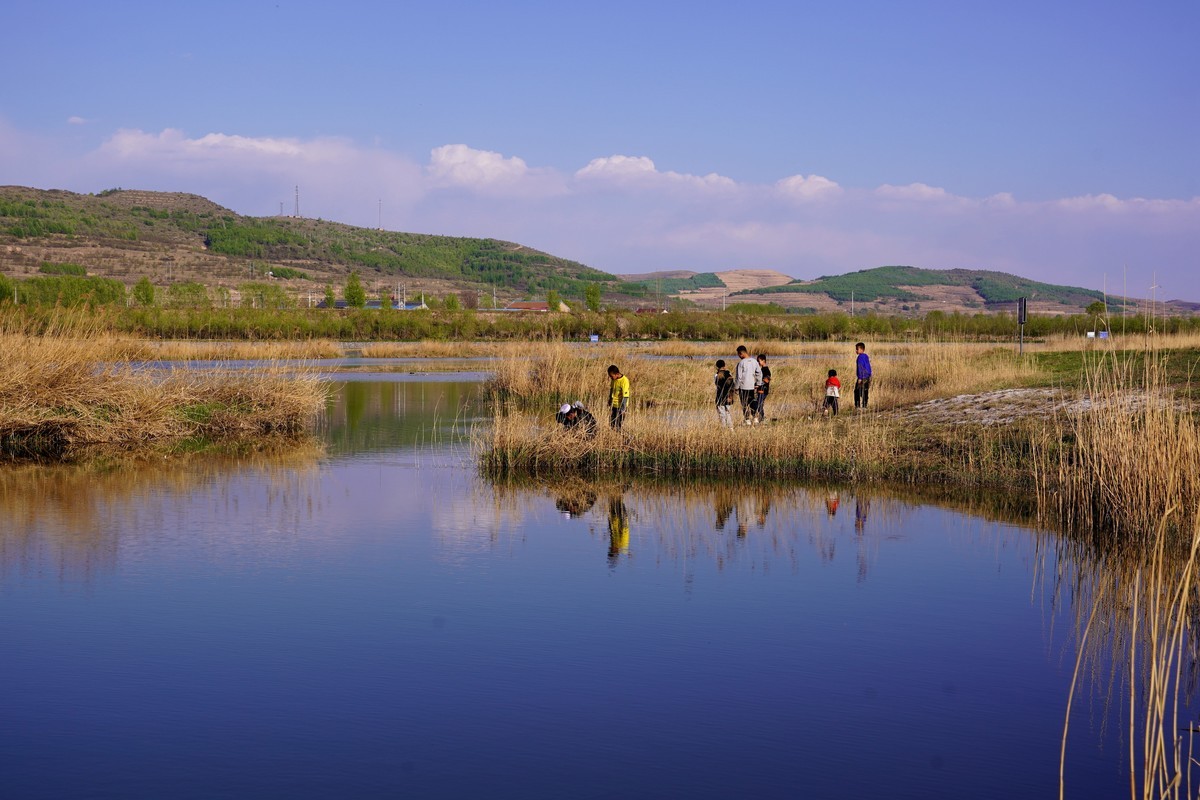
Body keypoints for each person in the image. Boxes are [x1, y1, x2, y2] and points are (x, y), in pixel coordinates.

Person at [734, 345, 761, 425]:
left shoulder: (741, 363)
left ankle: (747, 420)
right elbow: (759, 373)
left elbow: (739, 377)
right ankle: (755, 418)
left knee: (744, 404)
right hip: (752, 386)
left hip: (743, 387)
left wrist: (736, 387)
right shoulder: (754, 361)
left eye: (738, 355)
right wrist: (758, 383)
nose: (738, 356)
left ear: (741, 353)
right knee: (753, 402)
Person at [713, 359, 735, 429]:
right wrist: (731, 396)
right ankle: (731, 429)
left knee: (721, 414)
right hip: (729, 397)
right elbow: (732, 386)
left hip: (720, 397)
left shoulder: (716, 375)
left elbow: (717, 385)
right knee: (727, 413)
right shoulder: (729, 374)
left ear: (717, 367)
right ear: (724, 365)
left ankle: (723, 429)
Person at [607, 364, 630, 429]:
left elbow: (625, 396)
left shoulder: (624, 381)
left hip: (620, 406)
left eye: (611, 376)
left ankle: (627, 438)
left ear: (617, 374)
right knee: (611, 424)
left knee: (618, 426)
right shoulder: (613, 380)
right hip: (613, 405)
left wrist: (623, 409)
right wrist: (610, 400)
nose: (610, 378)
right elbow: (612, 389)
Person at [753, 354, 771, 424]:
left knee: (759, 404)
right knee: (759, 404)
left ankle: (763, 418)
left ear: (763, 361)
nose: (758, 363)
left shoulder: (766, 370)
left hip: (763, 390)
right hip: (760, 390)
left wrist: (758, 385)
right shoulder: (761, 369)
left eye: (759, 361)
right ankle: (761, 418)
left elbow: (767, 380)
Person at [854, 342, 872, 410]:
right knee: (865, 391)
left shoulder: (860, 357)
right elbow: (868, 366)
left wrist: (860, 378)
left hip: (862, 376)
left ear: (862, 349)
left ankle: (857, 406)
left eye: (857, 349)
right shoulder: (866, 356)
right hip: (867, 376)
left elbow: (860, 367)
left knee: (857, 391)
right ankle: (865, 405)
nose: (856, 350)